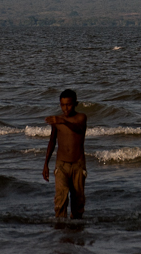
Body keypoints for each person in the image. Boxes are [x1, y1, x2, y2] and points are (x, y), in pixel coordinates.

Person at [42, 89, 88, 219]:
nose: (65, 108)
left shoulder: (81, 117)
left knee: (78, 202)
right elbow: (52, 141)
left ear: (75, 104)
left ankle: (77, 231)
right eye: (62, 105)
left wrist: (63, 121)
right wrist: (46, 164)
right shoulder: (57, 121)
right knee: (60, 200)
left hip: (78, 164)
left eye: (68, 104)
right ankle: (60, 232)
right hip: (61, 165)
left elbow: (78, 128)